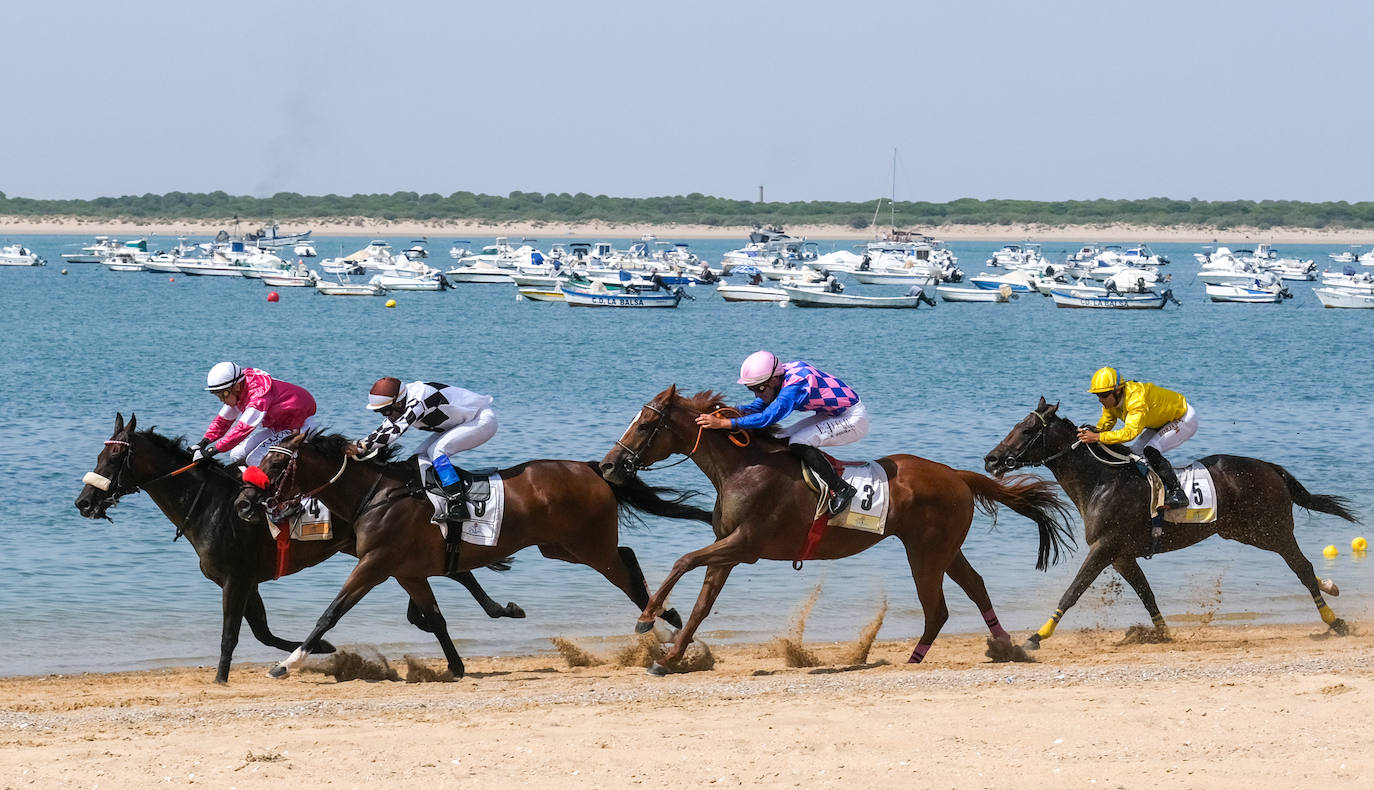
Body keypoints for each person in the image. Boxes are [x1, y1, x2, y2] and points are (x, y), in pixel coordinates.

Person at [695, 351, 868, 515]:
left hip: (852, 418)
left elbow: (767, 418)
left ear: (773, 380)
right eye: (752, 389)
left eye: (759, 389)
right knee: (779, 438)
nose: (757, 394)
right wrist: (729, 411)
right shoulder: (778, 377)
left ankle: (841, 488)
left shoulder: (795, 386)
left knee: (799, 442)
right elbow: (758, 406)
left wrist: (725, 423)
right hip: (830, 413)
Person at [348, 377, 497, 525]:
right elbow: (386, 427)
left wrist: (361, 447)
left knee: (438, 452)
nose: (386, 415)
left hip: (480, 421)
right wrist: (357, 445)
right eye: (381, 412)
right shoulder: (402, 401)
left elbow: (396, 430)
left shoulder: (418, 400)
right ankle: (433, 503)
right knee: (420, 457)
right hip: (460, 424)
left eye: (386, 410)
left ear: (398, 402)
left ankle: (458, 503)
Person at [1076, 367, 1197, 510]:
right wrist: (1091, 432)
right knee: (1132, 454)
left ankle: (1178, 494)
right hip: (1161, 421)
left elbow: (1129, 433)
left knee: (1151, 450)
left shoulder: (1136, 399)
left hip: (1183, 418)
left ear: (1118, 390)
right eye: (1097, 395)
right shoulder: (1111, 401)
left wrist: (1097, 437)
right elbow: (1107, 422)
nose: (1101, 399)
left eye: (1104, 395)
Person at [196, 362, 317, 467]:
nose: (222, 400)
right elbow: (223, 420)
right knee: (236, 455)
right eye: (218, 395)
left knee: (255, 459)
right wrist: (203, 443)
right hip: (280, 427)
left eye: (223, 394)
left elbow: (242, 429)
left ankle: (272, 492)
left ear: (236, 386)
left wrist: (213, 450)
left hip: (300, 427)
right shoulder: (240, 390)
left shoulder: (258, 396)